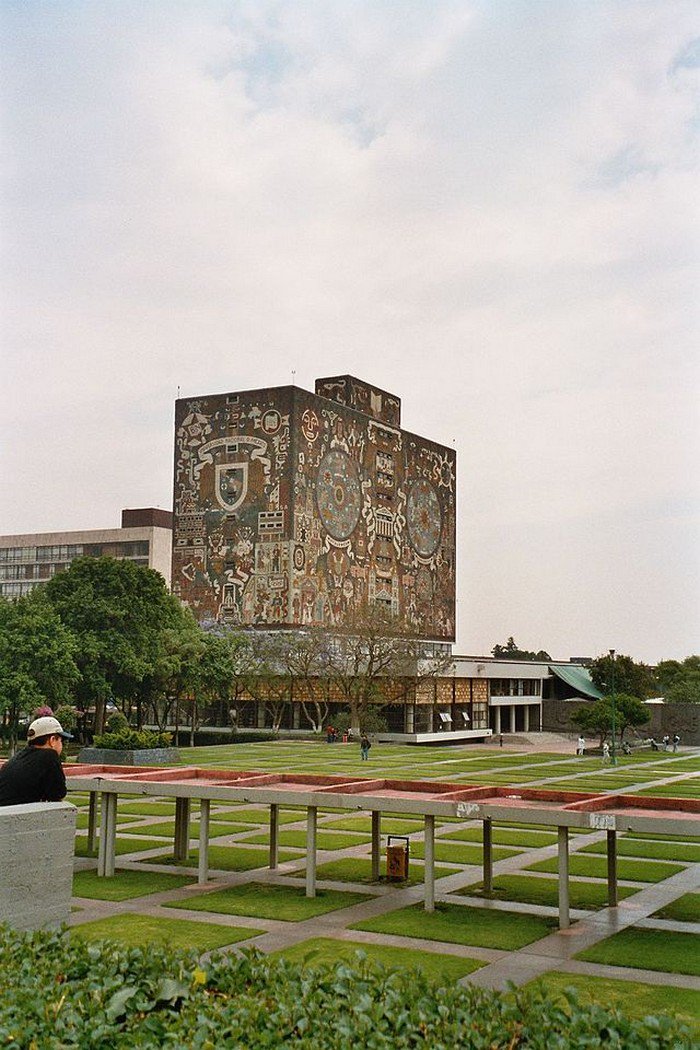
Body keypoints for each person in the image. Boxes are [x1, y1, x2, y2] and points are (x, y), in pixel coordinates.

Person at [0, 716, 72, 806]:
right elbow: (58, 794)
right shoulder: (50, 756)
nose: (62, 745)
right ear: (52, 740)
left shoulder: (17, 759)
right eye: (61, 741)